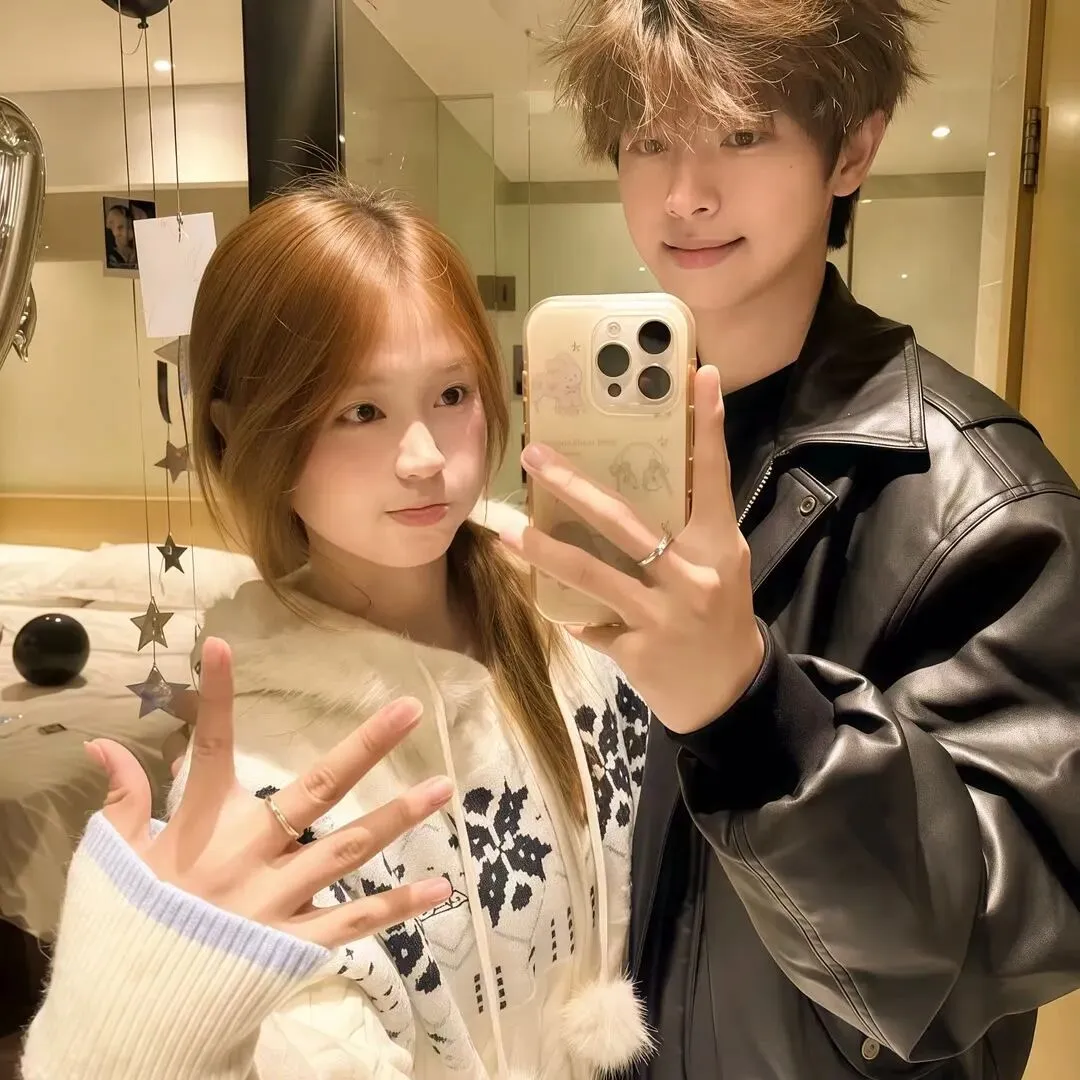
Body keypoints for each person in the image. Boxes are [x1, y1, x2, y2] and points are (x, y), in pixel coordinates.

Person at [503, 0, 1080, 1077]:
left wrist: (752, 712)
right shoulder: (616, 449)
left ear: (851, 149)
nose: (685, 193)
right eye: (649, 140)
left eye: (741, 132)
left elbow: (985, 948)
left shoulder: (985, 506)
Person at [23, 180, 682, 1079]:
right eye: (360, 411)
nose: (425, 458)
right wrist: (141, 1015)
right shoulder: (269, 785)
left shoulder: (574, 622)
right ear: (240, 432)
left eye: (452, 392)